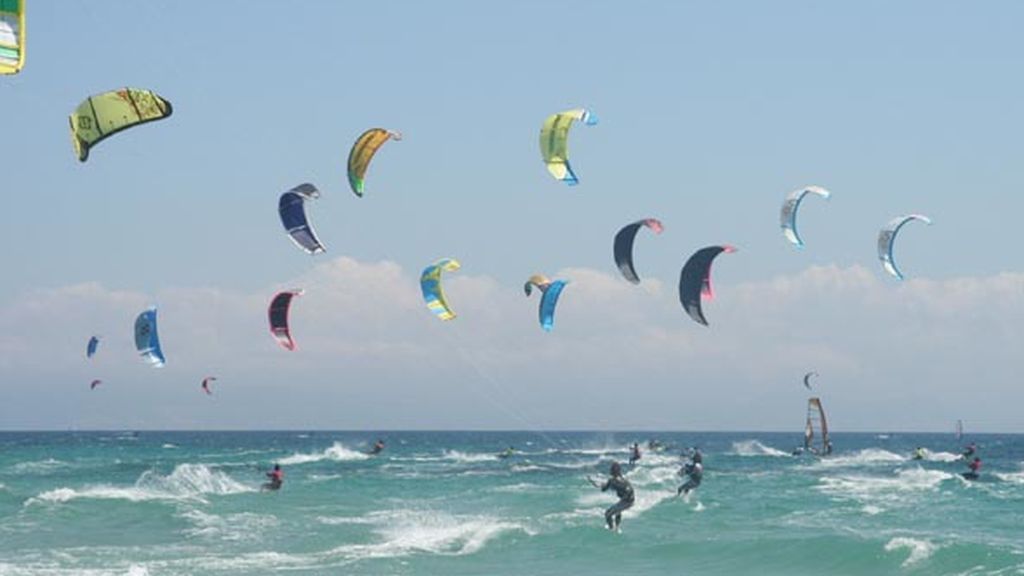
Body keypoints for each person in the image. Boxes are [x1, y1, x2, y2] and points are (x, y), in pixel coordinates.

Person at [591, 462, 634, 532]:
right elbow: (621, 487)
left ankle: (611, 529)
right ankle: (617, 528)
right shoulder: (623, 478)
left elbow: (603, 489)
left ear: (612, 471)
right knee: (618, 511)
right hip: (630, 499)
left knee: (607, 514)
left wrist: (598, 485)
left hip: (626, 501)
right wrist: (605, 485)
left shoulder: (611, 481)